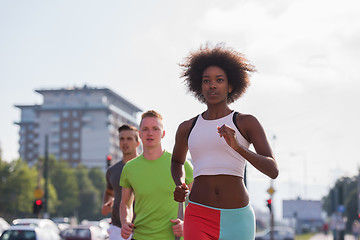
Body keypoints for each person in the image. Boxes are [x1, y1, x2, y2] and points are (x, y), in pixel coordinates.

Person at [171, 43, 279, 240]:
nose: (212, 85)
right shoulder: (187, 127)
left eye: (219, 80)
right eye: (206, 81)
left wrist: (238, 147)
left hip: (237, 218)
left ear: (230, 86)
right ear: (200, 86)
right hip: (198, 215)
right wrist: (180, 184)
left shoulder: (246, 122)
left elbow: (272, 170)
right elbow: (177, 162)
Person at [120, 110, 194, 240]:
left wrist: (188, 225)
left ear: (163, 134)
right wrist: (125, 222)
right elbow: (125, 204)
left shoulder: (180, 164)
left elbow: (200, 201)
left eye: (155, 129)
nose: (150, 133)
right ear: (139, 134)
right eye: (145, 129)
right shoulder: (129, 168)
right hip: (140, 237)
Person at [102, 124, 140, 240]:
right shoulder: (112, 171)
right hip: (117, 228)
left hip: (143, 228)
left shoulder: (146, 168)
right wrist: (107, 204)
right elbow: (109, 192)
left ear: (137, 143)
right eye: (122, 139)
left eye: (129, 139)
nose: (125, 142)